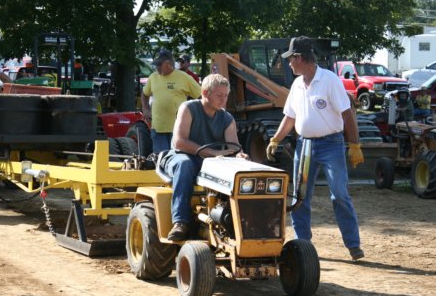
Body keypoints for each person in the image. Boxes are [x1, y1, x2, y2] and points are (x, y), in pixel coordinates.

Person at [265, 36, 365, 261]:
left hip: (332, 144)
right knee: (300, 197)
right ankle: (303, 245)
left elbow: (347, 113)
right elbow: (289, 117)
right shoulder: (297, 85)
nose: (289, 64)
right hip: (305, 145)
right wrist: (276, 139)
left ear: (300, 58)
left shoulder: (329, 80)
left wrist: (354, 144)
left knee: (339, 193)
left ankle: (353, 244)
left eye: (290, 59)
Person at [163, 74, 249, 241]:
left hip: (211, 160)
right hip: (182, 156)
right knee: (185, 165)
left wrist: (239, 155)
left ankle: (234, 221)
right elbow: (179, 141)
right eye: (219, 95)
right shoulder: (188, 108)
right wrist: (210, 153)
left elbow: (233, 146)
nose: (223, 100)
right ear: (205, 92)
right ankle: (180, 221)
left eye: (226, 96)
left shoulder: (226, 118)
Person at [141, 50, 202, 153]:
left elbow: (200, 96)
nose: (157, 68)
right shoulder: (153, 77)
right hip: (158, 128)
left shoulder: (184, 77)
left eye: (159, 64)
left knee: (177, 159)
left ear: (169, 64)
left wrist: (196, 116)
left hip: (179, 129)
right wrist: (145, 109)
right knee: (161, 160)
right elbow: (144, 94)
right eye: (156, 65)